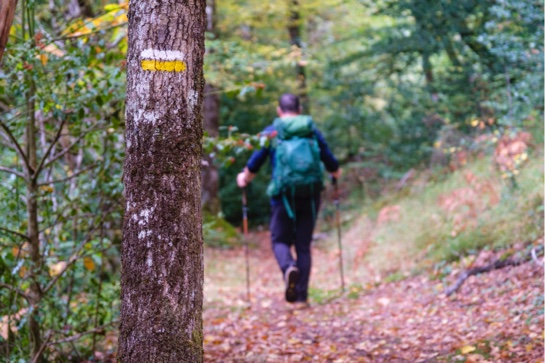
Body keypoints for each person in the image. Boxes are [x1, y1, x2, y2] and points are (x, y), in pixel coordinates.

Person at [236, 93, 341, 308]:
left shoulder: (273, 132)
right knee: (303, 245)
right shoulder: (310, 129)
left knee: (279, 240)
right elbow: (329, 158)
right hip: (310, 194)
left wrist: (244, 178)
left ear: (279, 110)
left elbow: (255, 162)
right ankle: (301, 298)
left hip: (282, 195)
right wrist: (335, 172)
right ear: (299, 109)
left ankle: (288, 267)